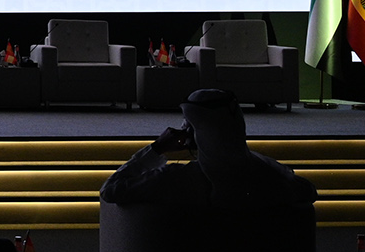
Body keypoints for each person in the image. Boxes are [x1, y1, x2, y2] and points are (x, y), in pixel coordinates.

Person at [98, 88, 318, 209]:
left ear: (192, 133)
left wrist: (156, 149)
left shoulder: (174, 180)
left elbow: (110, 190)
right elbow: (309, 191)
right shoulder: (271, 176)